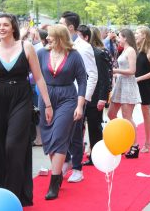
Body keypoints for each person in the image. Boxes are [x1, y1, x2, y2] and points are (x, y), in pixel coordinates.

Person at [0, 13, 53, 206]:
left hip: (21, 97)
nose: (1, 28)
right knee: (0, 146)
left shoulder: (26, 47)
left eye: (5, 25)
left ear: (13, 27)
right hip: (0, 99)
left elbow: (39, 77)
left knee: (14, 145)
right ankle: (3, 187)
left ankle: (14, 193)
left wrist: (47, 104)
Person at [37, 24, 86, 200]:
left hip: (68, 98)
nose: (47, 38)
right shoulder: (41, 53)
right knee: (48, 137)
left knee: (59, 136)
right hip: (46, 98)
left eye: (51, 36)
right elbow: (35, 74)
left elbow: (82, 80)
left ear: (60, 37)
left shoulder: (74, 55)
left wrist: (80, 106)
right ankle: (60, 170)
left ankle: (54, 182)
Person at [59, 11, 98, 182]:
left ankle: (77, 168)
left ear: (70, 27)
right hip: (62, 95)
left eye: (61, 24)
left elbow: (92, 75)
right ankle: (65, 161)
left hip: (77, 97)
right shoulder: (61, 45)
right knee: (61, 131)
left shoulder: (84, 47)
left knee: (75, 133)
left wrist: (84, 99)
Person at [77, 26, 111, 166]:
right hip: (83, 95)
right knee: (82, 127)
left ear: (86, 37)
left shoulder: (97, 53)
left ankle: (97, 156)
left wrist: (103, 98)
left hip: (96, 96)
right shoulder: (80, 51)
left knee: (94, 127)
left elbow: (104, 77)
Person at [107, 28, 141, 158]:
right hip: (120, 84)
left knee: (127, 117)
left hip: (128, 84)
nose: (118, 39)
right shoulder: (124, 50)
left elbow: (132, 70)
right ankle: (122, 141)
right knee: (111, 114)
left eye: (119, 37)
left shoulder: (131, 50)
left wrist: (116, 71)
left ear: (125, 37)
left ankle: (134, 145)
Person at [135, 26, 150, 153]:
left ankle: (147, 142)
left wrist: (138, 79)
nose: (135, 34)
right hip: (135, 84)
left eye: (137, 33)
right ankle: (133, 142)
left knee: (145, 113)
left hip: (146, 86)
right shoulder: (137, 49)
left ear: (144, 35)